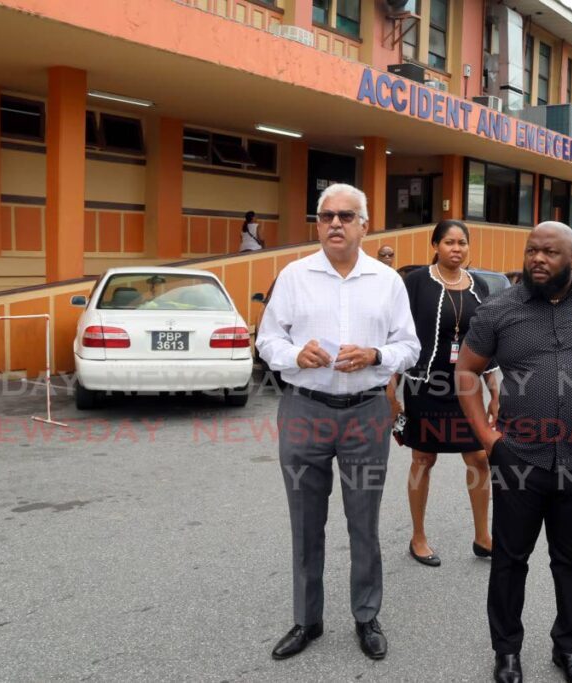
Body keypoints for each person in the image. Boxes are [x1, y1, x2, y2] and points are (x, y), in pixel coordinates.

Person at [456, 222, 572, 683]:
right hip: (519, 456)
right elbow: (466, 371)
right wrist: (487, 437)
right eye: (532, 251)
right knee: (509, 560)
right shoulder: (499, 309)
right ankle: (507, 652)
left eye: (550, 253)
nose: (538, 259)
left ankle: (568, 648)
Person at [256, 183, 421, 663]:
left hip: (367, 413)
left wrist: (375, 354)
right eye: (326, 215)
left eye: (346, 216)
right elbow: (267, 341)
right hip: (304, 410)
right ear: (318, 222)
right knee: (306, 522)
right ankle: (307, 619)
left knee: (363, 521)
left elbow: (408, 347)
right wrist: (293, 354)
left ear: (364, 225)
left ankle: (366, 615)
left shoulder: (386, 281)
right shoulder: (293, 276)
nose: (334, 223)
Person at [391, 220, 500, 566]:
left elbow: (487, 340)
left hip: (466, 388)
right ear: (435, 244)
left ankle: (483, 536)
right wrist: (389, 391)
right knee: (423, 458)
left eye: (462, 243)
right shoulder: (417, 282)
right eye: (449, 242)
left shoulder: (479, 286)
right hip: (423, 385)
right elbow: (398, 334)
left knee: (479, 457)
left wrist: (495, 390)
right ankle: (418, 537)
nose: (457, 249)